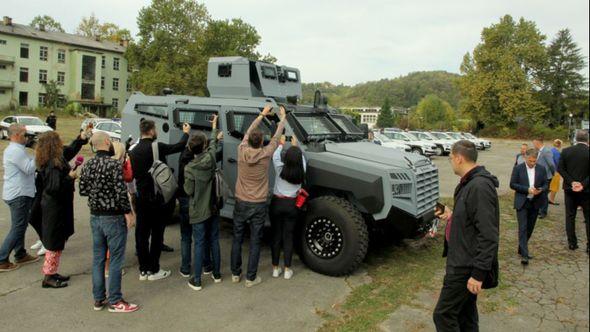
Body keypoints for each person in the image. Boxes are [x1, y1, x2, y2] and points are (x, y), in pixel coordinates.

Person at [432, 140, 500, 331]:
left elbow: (489, 234)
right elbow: (472, 219)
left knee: (443, 315)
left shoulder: (479, 187)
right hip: (460, 260)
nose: (451, 161)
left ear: (459, 158)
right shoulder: (468, 184)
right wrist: (452, 215)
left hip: (465, 266)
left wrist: (478, 274)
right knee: (465, 315)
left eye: (451, 158)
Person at [79, 132, 139, 313]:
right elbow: (121, 193)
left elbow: (83, 190)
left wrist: (97, 193)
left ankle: (98, 298)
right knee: (115, 259)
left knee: (98, 258)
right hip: (113, 216)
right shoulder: (113, 165)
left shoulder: (89, 164)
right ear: (106, 142)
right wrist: (128, 212)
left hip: (95, 216)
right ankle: (115, 300)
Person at [231, 104, 286, 288]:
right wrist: (283, 118)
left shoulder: (241, 150)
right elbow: (277, 137)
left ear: (249, 141)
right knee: (255, 241)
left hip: (240, 201)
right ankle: (250, 277)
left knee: (237, 237)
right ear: (261, 141)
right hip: (259, 203)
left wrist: (261, 115)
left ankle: (235, 273)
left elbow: (248, 131)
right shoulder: (266, 153)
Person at [129, 120, 190, 281]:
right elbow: (178, 146)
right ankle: (154, 269)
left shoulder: (133, 151)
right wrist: (186, 132)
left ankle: (143, 270)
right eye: (155, 129)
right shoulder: (157, 147)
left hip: (141, 199)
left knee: (141, 235)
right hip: (157, 199)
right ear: (151, 131)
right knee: (157, 234)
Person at [32, 131, 85, 288]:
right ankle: (48, 277)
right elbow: (55, 188)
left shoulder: (51, 159)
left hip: (54, 206)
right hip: (54, 208)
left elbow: (68, 152)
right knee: (54, 242)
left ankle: (52, 271)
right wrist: (70, 177)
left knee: (56, 241)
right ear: (55, 145)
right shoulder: (52, 165)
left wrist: (80, 140)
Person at [184, 115, 224, 290]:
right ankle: (216, 274)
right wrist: (214, 126)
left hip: (199, 210)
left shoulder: (190, 168)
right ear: (204, 146)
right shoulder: (211, 158)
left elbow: (189, 191)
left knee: (199, 243)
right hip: (213, 207)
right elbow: (214, 145)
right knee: (214, 239)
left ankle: (197, 280)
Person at [0, 124, 39, 272]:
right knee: (18, 227)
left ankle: (20, 253)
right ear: (15, 135)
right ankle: (2, 259)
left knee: (20, 225)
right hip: (19, 194)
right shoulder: (15, 151)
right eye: (24, 135)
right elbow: (29, 168)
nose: (27, 138)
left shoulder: (17, 150)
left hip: (19, 192)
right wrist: (38, 152)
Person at [270, 135, 306, 280]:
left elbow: (275, 156)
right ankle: (287, 269)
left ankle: (275, 268)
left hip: (277, 203)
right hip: (292, 205)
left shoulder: (280, 168)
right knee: (288, 236)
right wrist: (296, 145)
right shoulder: (301, 170)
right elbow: (302, 158)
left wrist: (281, 144)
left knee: (276, 236)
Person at [509, 148, 548, 265]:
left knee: (530, 228)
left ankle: (521, 248)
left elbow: (546, 183)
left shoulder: (541, 169)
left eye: (534, 161)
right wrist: (527, 190)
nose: (532, 163)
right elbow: (512, 184)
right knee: (523, 227)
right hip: (522, 202)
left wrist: (540, 190)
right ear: (526, 158)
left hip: (535, 202)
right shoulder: (518, 169)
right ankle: (525, 255)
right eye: (530, 161)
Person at [557, 130, 589, 253]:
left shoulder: (566, 151)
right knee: (587, 217)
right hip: (586, 190)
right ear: (587, 139)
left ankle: (572, 243)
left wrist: (572, 182)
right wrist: (582, 184)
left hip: (570, 190)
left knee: (570, 216)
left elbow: (560, 169)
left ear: (575, 138)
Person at [532, 138, 555, 219]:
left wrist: (552, 174)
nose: (533, 145)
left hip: (546, 176)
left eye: (534, 143)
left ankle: (543, 212)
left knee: (544, 194)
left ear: (538, 143)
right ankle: (538, 209)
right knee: (538, 192)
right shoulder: (538, 151)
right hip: (539, 176)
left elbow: (551, 165)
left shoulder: (546, 151)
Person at [548, 139, 562, 205]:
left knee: (550, 185)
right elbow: (558, 162)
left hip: (550, 170)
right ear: (559, 145)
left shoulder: (551, 150)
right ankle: (551, 199)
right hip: (556, 171)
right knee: (554, 187)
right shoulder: (557, 152)